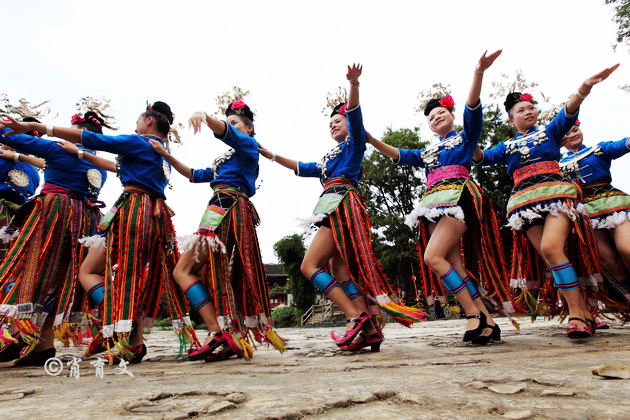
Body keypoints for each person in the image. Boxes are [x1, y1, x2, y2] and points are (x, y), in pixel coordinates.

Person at [0, 102, 193, 363]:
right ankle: (45, 344)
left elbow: (90, 139)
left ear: (148, 121)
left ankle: (117, 325)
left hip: (60, 219)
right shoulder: (151, 155)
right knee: (76, 280)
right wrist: (81, 155)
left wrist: (30, 127)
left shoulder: (130, 144)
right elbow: (116, 165)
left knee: (43, 275)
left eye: (69, 131)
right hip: (92, 219)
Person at [260, 64, 426, 353]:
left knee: (309, 266)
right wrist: (271, 155)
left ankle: (355, 316)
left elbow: (354, 114)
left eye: (338, 120)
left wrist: (354, 84)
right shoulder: (327, 159)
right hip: (332, 208)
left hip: (343, 207)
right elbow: (300, 167)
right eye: (330, 124)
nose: (333, 125)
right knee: (339, 269)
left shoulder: (355, 145)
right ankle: (370, 331)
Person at [368, 50, 509, 344]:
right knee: (452, 266)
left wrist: (479, 72)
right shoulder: (428, 152)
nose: (436, 117)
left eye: (441, 112)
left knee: (432, 257)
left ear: (451, 115)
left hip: (460, 197)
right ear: (430, 126)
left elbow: (473, 109)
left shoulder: (465, 137)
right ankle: (489, 321)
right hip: (433, 205)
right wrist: (369, 138)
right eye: (432, 117)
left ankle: (473, 313)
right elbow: (399, 154)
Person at [473, 64, 619, 339]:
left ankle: (577, 314)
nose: (528, 112)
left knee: (552, 249)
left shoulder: (551, 132)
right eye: (521, 110)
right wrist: (468, 139)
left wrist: (585, 86)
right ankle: (585, 311)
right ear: (510, 119)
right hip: (524, 205)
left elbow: (569, 111)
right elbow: (481, 158)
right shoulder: (505, 147)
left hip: (556, 197)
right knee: (554, 258)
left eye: (531, 108)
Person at [150, 99, 285, 362]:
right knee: (200, 271)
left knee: (185, 270)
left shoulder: (248, 146)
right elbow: (192, 174)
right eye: (230, 122)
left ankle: (218, 330)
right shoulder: (225, 161)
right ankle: (224, 333)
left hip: (226, 207)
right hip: (225, 208)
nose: (231, 127)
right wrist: (165, 155)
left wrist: (206, 116)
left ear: (248, 128)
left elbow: (225, 132)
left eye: (235, 123)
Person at [0, 111, 109, 364]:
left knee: (32, 273)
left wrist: (13, 127)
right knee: (61, 281)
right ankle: (43, 345)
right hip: (86, 219)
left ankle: (19, 334)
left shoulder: (59, 149)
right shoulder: (96, 163)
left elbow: (12, 137)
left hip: (55, 216)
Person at [560, 120, 630, 309]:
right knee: (609, 261)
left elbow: (622, 145)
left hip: (612, 204)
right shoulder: (557, 165)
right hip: (585, 213)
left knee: (627, 249)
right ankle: (626, 298)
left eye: (575, 129)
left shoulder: (598, 149)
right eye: (567, 133)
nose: (573, 134)